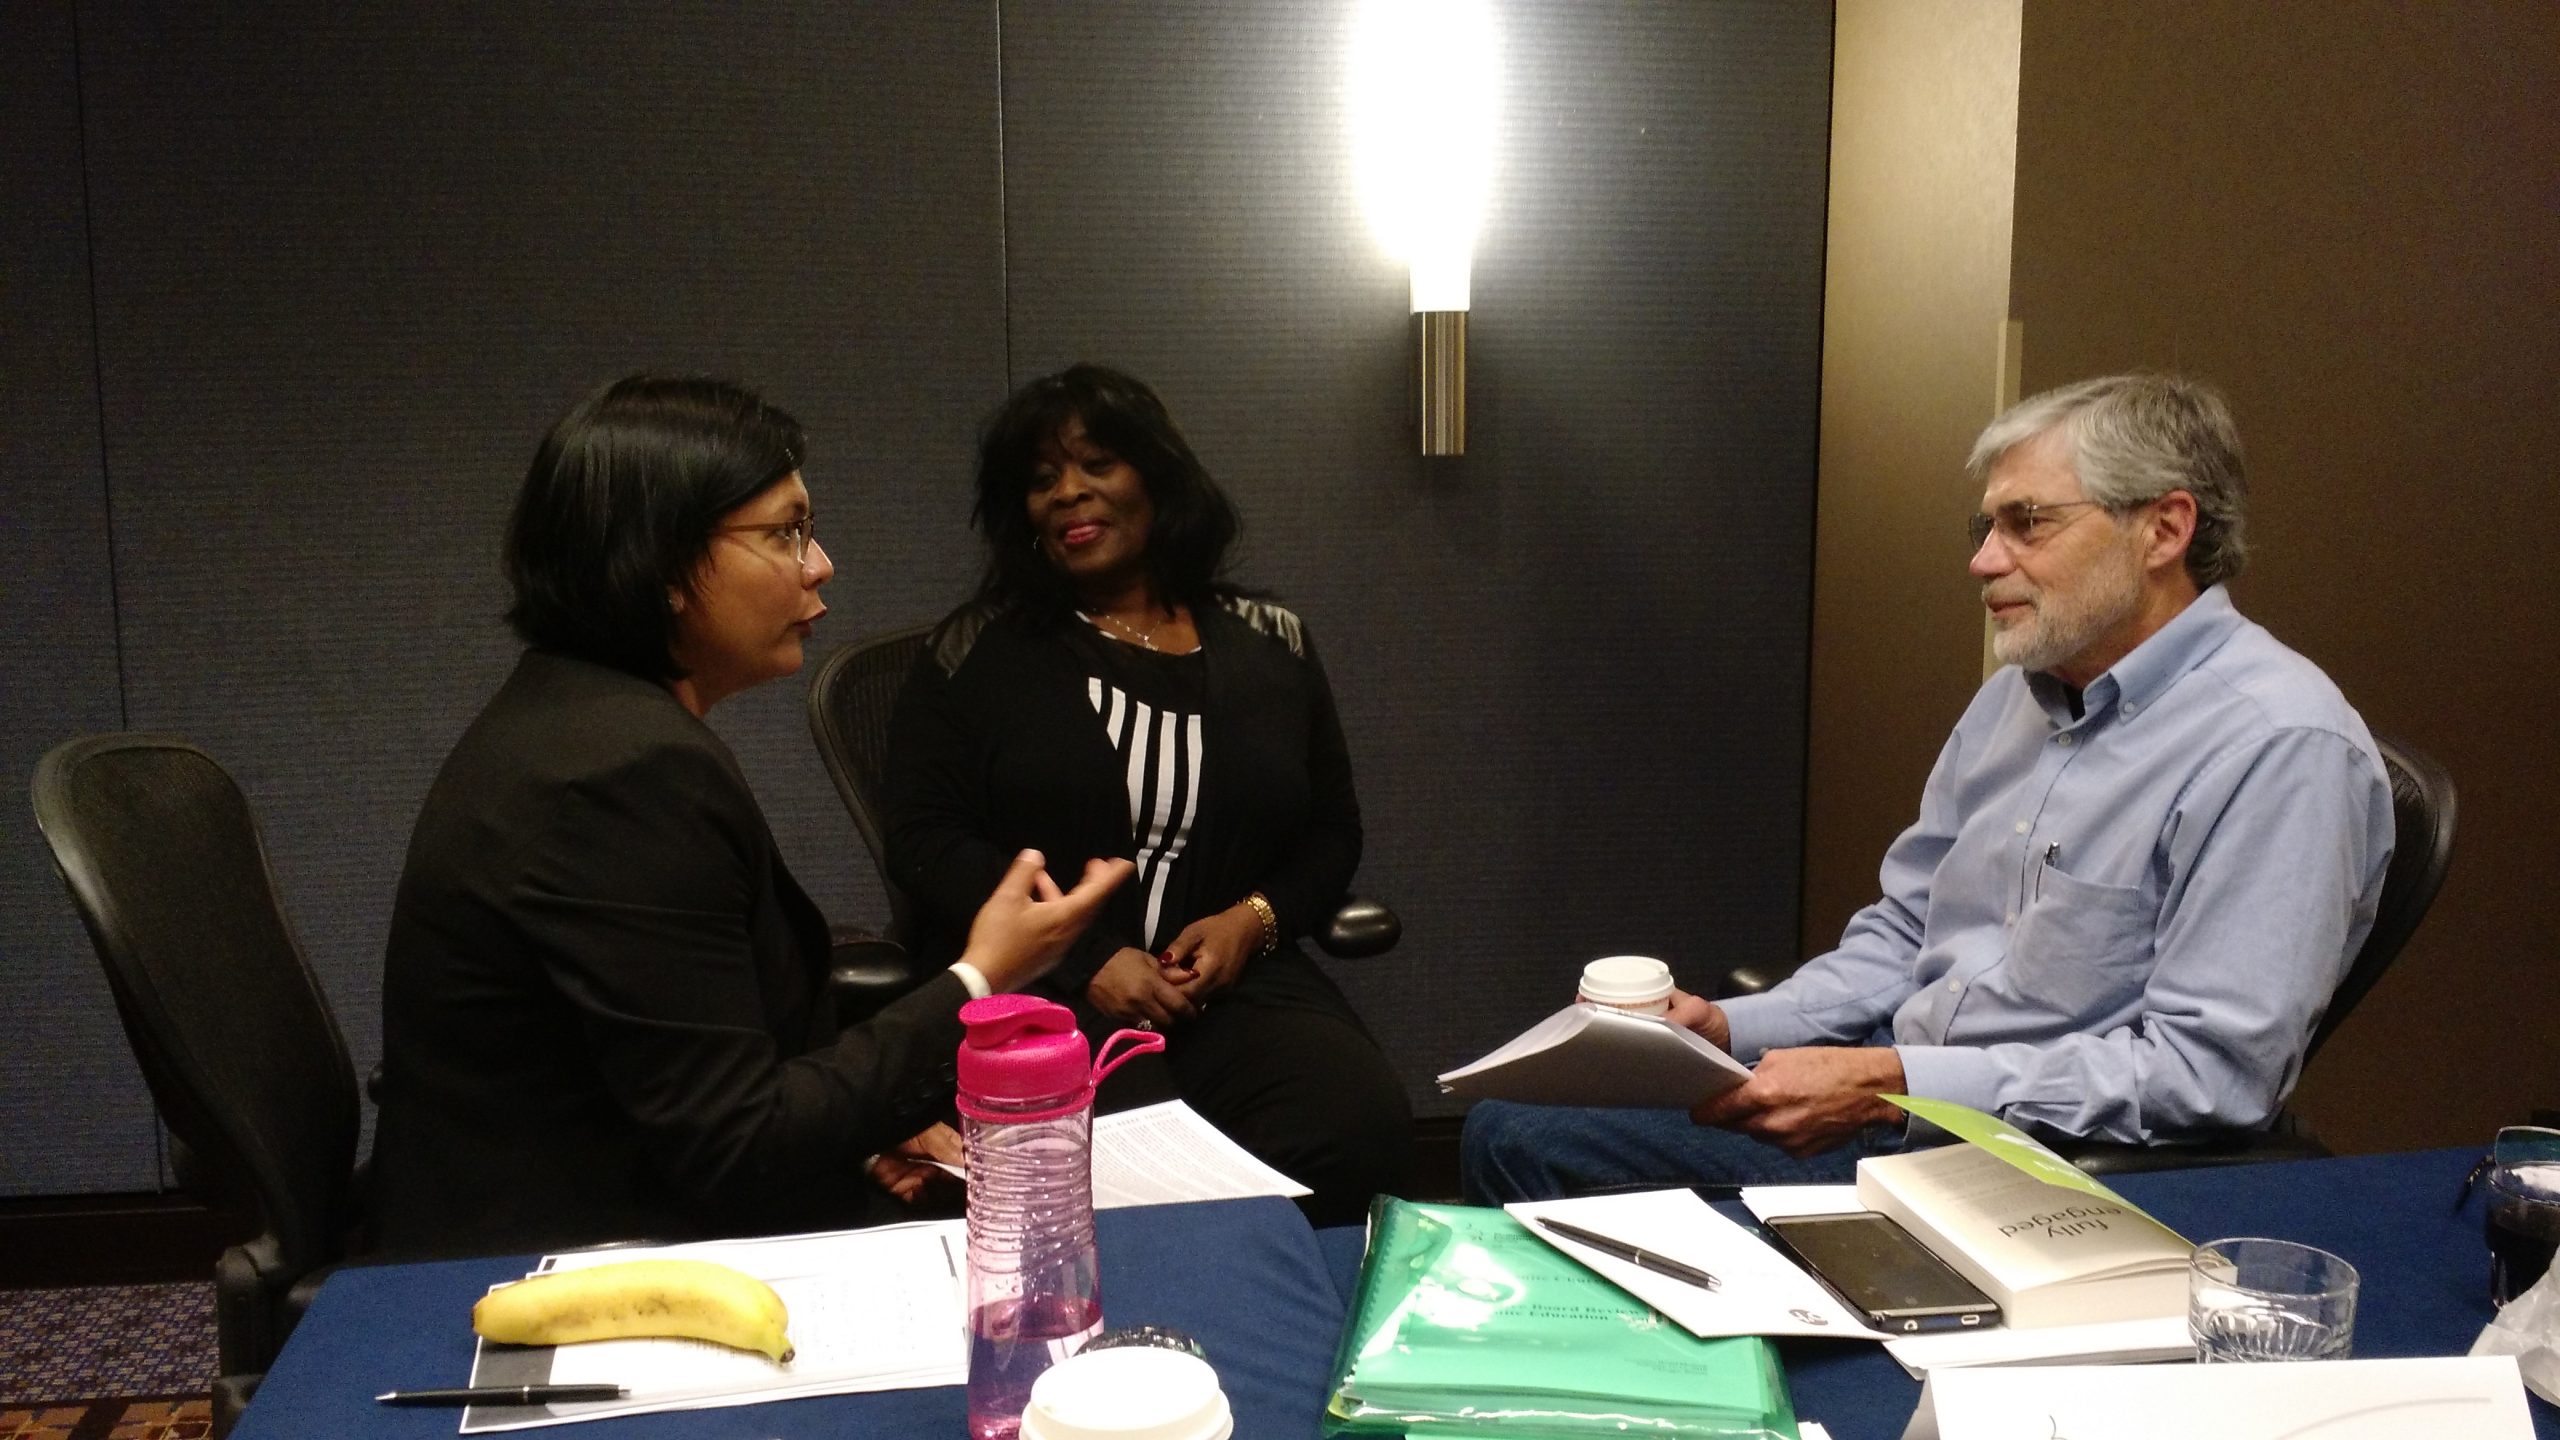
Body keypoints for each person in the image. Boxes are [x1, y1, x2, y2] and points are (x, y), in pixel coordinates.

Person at [1464, 373, 2396, 1201]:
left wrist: (1891, 1083)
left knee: (1521, 1141)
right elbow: (1907, 933)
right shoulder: (2018, 701)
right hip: (1906, 1095)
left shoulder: (2281, 747)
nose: (1985, 561)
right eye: (1985, 527)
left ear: (2165, 528)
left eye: (2027, 522)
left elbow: (2208, 1076)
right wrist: (1726, 1027)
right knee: (1527, 1104)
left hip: (2027, 1170)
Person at [372, 376, 1131, 1257]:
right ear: (661, 565)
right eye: (786, 532)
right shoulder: (619, 775)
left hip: (612, 1195)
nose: (820, 563)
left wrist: (868, 1119)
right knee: (1056, 1262)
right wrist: (981, 977)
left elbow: (691, 1076)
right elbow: (738, 1144)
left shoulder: (577, 720)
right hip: (565, 1263)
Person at [882, 363, 1412, 1225]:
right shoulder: (977, 650)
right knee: (1144, 1172)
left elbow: (1329, 831)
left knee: (1355, 1126)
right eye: (1042, 479)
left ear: (1156, 475)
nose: (1067, 493)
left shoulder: (1270, 641)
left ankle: (1296, 1338)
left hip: (1233, 984)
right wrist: (1088, 955)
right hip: (1050, 987)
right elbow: (923, 837)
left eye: (1096, 464)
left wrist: (1254, 921)